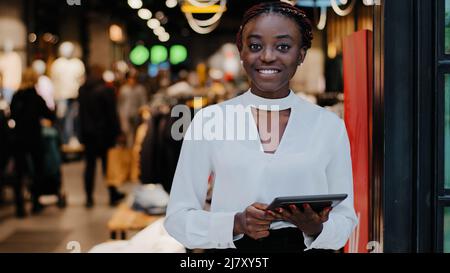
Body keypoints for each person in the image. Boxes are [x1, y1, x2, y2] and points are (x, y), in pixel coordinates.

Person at [164, 2, 357, 252]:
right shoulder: (209, 121)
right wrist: (235, 223)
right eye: (255, 46)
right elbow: (177, 219)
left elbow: (346, 220)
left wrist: (315, 228)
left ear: (301, 54)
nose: (267, 56)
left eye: (283, 46)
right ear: (241, 51)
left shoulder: (329, 126)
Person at [10, 68, 55, 217]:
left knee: (20, 172)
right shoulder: (36, 97)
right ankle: (36, 203)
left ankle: (19, 206)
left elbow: (12, 115)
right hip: (34, 138)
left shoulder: (16, 96)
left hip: (18, 138)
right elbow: (49, 115)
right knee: (38, 170)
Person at [78, 65, 124, 208]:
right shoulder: (106, 90)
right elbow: (112, 114)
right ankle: (112, 194)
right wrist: (118, 132)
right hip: (104, 134)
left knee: (89, 166)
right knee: (107, 166)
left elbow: (80, 114)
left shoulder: (82, 90)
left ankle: (89, 198)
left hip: (88, 134)